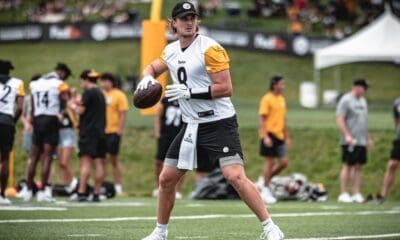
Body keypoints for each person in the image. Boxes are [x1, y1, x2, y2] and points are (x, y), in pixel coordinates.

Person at [138, 2, 284, 240]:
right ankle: (160, 232)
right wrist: (145, 79)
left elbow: (226, 88)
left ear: (197, 21)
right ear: (173, 23)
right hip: (191, 125)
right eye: (183, 18)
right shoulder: (171, 50)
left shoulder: (210, 48)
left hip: (218, 122)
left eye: (192, 18)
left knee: (234, 176)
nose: (188, 22)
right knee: (166, 179)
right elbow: (153, 67)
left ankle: (270, 227)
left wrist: (189, 93)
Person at [23, 63, 69, 202]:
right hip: (51, 119)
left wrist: (31, 120)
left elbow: (32, 105)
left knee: (34, 157)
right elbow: (64, 99)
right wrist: (61, 112)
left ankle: (28, 189)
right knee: (47, 157)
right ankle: (43, 190)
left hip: (37, 119)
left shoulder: (35, 84)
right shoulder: (59, 84)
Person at [69, 70, 106, 202]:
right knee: (99, 163)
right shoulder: (100, 93)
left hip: (88, 133)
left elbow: (80, 110)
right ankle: (96, 193)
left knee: (85, 163)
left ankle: (81, 193)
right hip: (100, 133)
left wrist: (71, 104)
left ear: (85, 80)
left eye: (81, 81)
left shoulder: (88, 92)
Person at [336, 78, 373, 203]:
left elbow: (364, 121)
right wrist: (347, 135)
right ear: (357, 87)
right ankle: (344, 193)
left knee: (358, 166)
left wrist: (368, 138)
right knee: (348, 165)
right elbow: (340, 119)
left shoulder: (363, 101)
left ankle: (356, 192)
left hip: (361, 140)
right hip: (350, 140)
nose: (365, 90)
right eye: (364, 88)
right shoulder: (346, 100)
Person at [258, 75, 290, 204]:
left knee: (283, 162)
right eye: (281, 84)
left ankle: (264, 181)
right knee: (269, 162)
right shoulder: (267, 99)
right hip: (269, 134)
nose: (283, 86)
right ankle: (265, 188)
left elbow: (283, 119)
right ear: (274, 85)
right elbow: (261, 119)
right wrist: (265, 136)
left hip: (280, 135)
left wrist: (287, 137)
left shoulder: (282, 99)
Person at [0, 60, 24, 204]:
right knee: (5, 159)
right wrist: (13, 122)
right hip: (7, 120)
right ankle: (2, 194)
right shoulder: (17, 83)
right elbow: (20, 108)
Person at [99, 72, 128, 195]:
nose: (104, 83)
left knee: (114, 160)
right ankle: (102, 184)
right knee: (101, 160)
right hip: (101, 131)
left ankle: (117, 185)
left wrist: (119, 131)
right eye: (102, 80)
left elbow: (123, 113)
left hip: (113, 131)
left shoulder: (119, 95)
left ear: (112, 82)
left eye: (107, 80)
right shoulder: (99, 94)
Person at [153, 97, 184, 199]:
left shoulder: (186, 99)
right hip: (165, 136)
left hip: (179, 136)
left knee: (181, 163)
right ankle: (158, 187)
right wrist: (157, 133)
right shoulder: (166, 100)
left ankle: (178, 190)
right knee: (158, 162)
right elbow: (158, 116)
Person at [55, 64, 78, 194]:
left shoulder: (67, 90)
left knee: (64, 162)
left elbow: (73, 107)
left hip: (67, 129)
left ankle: (73, 183)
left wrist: (72, 99)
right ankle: (67, 187)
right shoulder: (53, 88)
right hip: (57, 130)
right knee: (60, 163)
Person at [377, 96, 400, 202]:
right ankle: (383, 195)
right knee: (392, 164)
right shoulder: (397, 102)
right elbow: (396, 119)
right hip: (399, 139)